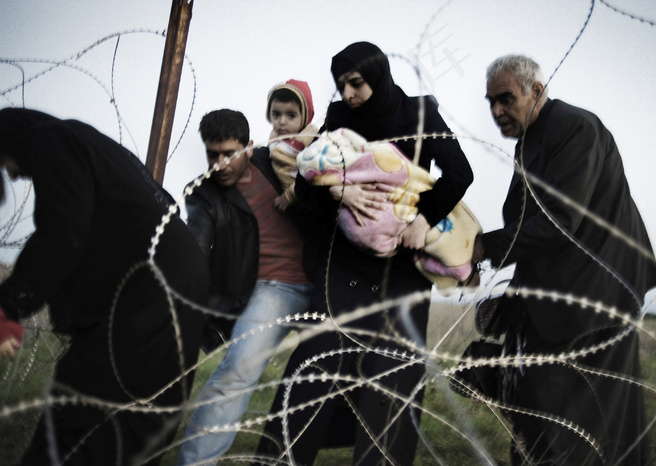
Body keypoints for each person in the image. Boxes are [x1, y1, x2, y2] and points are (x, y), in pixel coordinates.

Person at [256, 41, 473, 466]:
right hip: (346, 266)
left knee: (392, 378)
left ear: (378, 76)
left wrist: (422, 220)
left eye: (356, 83)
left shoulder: (420, 113)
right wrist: (337, 188)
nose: (349, 94)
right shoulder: (339, 118)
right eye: (342, 85)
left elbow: (460, 171)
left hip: (403, 271)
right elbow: (305, 182)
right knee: (312, 366)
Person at [472, 55, 656, 465]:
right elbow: (531, 227)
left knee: (580, 426)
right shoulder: (532, 139)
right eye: (490, 102)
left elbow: (558, 222)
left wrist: (482, 249)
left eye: (505, 99)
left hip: (596, 300)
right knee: (542, 417)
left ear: (536, 91)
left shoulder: (575, 128)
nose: (496, 111)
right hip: (561, 299)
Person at [0, 108, 208, 465]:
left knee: (85, 409)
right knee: (140, 413)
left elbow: (64, 231)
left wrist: (10, 304)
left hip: (151, 287)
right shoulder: (85, 142)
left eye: (4, 164)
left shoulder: (52, 138)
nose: (12, 174)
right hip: (176, 278)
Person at [176, 108, 317, 465]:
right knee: (237, 369)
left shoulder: (278, 161)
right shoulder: (204, 193)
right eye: (213, 155)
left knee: (340, 375)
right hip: (273, 289)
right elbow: (197, 241)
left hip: (327, 278)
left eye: (230, 154)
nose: (221, 164)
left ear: (249, 147)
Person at [266, 79, 319, 213]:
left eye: (291, 115)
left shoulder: (310, 137)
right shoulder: (274, 137)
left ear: (305, 117)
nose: (282, 122)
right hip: (291, 204)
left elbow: (316, 173)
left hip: (310, 198)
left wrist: (289, 196)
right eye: (276, 114)